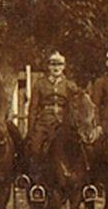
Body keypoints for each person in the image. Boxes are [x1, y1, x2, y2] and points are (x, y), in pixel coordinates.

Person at [26, 51, 80, 195]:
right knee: (35, 146)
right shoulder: (40, 84)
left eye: (59, 64)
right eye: (53, 64)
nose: (56, 67)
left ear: (64, 66)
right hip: (45, 121)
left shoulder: (70, 85)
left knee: (81, 147)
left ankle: (84, 182)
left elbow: (77, 104)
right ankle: (36, 182)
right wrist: (31, 129)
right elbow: (33, 108)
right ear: (48, 66)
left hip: (64, 122)